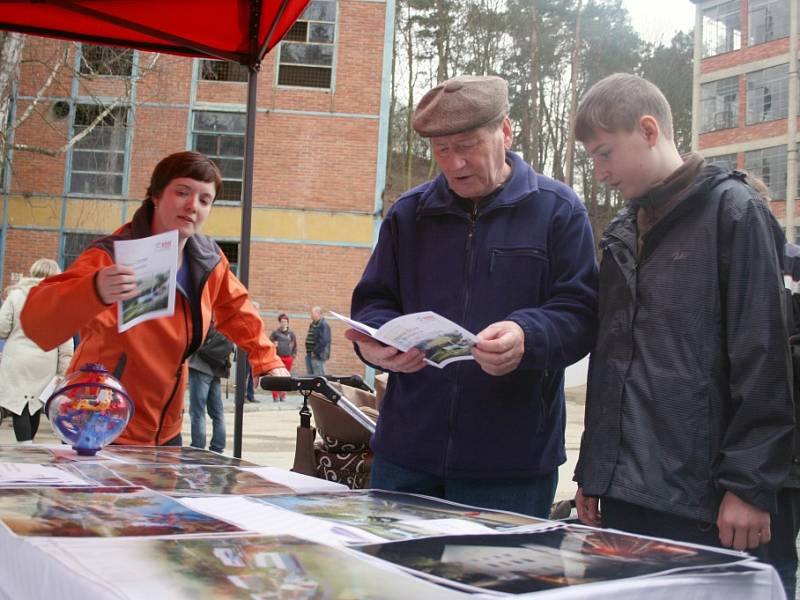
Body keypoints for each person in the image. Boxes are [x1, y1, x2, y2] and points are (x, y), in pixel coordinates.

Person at [346, 74, 598, 517]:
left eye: (468, 146)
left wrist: (527, 336)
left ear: (505, 131)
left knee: (493, 586)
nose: (456, 163)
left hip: (511, 465)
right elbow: (373, 303)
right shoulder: (409, 214)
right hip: (405, 455)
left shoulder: (559, 211)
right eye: (442, 150)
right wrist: (378, 347)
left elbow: (580, 313)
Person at [572, 74, 794, 557]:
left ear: (649, 131)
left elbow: (765, 360)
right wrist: (595, 472)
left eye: (605, 153)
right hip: (628, 497)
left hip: (711, 505)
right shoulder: (622, 233)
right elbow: (612, 364)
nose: (600, 172)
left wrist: (749, 486)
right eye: (593, 159)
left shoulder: (735, 214)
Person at [21, 151, 289, 446]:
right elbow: (36, 322)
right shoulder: (111, 255)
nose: (192, 206)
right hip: (99, 423)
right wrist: (94, 289)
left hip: (166, 429)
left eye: (204, 199)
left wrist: (266, 360)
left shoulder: (209, 260)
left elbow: (238, 310)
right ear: (156, 195)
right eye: (182, 192)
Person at [0, 259, 73, 443]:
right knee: (34, 404)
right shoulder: (62, 301)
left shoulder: (16, 295)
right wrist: (62, 372)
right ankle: (28, 447)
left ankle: (25, 447)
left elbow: (2, 327)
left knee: (19, 404)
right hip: (45, 360)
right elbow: (66, 343)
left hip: (17, 358)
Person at [188, 321, 234, 453]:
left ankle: (197, 447)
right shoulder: (226, 322)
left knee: (197, 411)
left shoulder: (207, 318)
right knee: (217, 413)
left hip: (200, 367)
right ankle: (218, 447)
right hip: (216, 369)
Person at [269, 313, 297, 401]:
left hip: (288, 358)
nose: (283, 323)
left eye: (285, 322)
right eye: (282, 322)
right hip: (277, 358)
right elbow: (269, 344)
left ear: (288, 323)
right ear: (279, 323)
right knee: (276, 376)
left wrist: (293, 355)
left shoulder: (291, 334)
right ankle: (275, 395)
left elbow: (295, 345)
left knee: (285, 377)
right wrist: (273, 345)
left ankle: (282, 395)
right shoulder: (275, 333)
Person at [305, 306, 331, 376]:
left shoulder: (323, 325)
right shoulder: (312, 324)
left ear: (318, 313)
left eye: (312, 313)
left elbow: (324, 341)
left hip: (317, 355)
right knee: (310, 377)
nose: (310, 315)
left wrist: (315, 351)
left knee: (318, 376)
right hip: (309, 354)